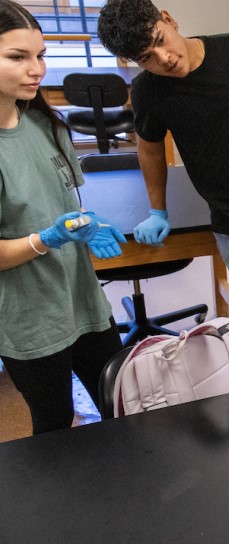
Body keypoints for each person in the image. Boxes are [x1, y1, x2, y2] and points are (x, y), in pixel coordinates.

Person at [96, 0, 229, 385]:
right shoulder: (149, 90)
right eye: (147, 58)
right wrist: (157, 210)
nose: (165, 58)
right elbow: (149, 147)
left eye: (161, 41)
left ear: (168, 19)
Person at [0, 0, 128, 434]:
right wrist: (46, 239)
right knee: (54, 427)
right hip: (31, 319)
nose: (36, 69)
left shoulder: (46, 124)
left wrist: (84, 223)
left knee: (121, 407)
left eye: (40, 56)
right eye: (17, 57)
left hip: (85, 301)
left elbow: (64, 201)